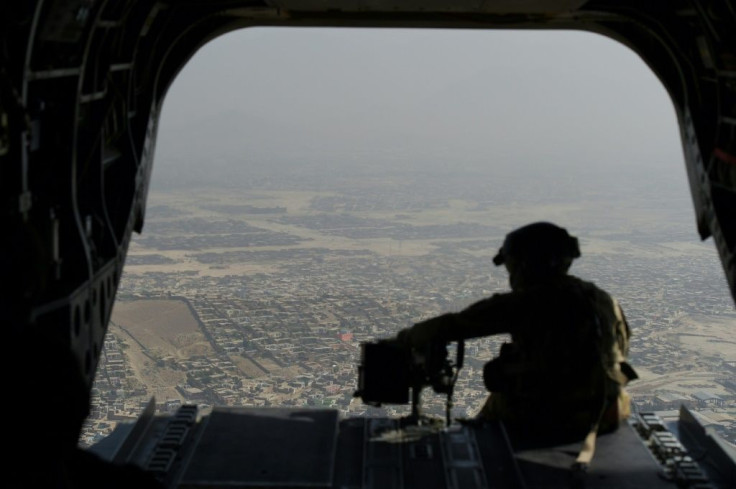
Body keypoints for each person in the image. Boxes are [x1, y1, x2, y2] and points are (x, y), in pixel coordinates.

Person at [396, 222, 637, 440]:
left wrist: (402, 340)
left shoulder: (534, 300)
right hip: (610, 414)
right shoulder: (603, 299)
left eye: (513, 267)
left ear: (526, 264)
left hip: (558, 421)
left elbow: (454, 326)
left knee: (502, 393)